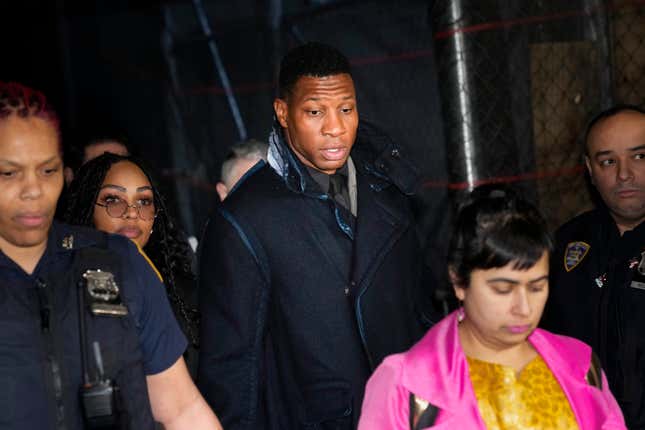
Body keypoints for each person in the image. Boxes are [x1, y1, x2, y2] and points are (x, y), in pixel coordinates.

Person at [198, 42, 430, 428]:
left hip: (403, 412)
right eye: (314, 112)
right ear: (282, 112)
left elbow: (420, 312)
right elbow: (232, 369)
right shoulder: (245, 219)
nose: (335, 128)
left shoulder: (388, 186)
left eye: (346, 109)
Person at [0, 81, 221, 429]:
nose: (33, 190)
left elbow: (182, 410)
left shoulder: (119, 262)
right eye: (9, 173)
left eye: (48, 170)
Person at [358, 186, 626, 429]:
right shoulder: (408, 385)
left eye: (536, 287)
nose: (524, 308)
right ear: (459, 281)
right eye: (502, 289)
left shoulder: (579, 365)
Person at [543, 105, 645, 428]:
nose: (624, 174)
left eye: (639, 157)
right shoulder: (565, 247)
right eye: (608, 161)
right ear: (589, 169)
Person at [63, 153, 200, 377]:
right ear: (88, 208)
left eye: (144, 202)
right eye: (113, 200)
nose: (132, 213)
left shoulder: (179, 287)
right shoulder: (64, 285)